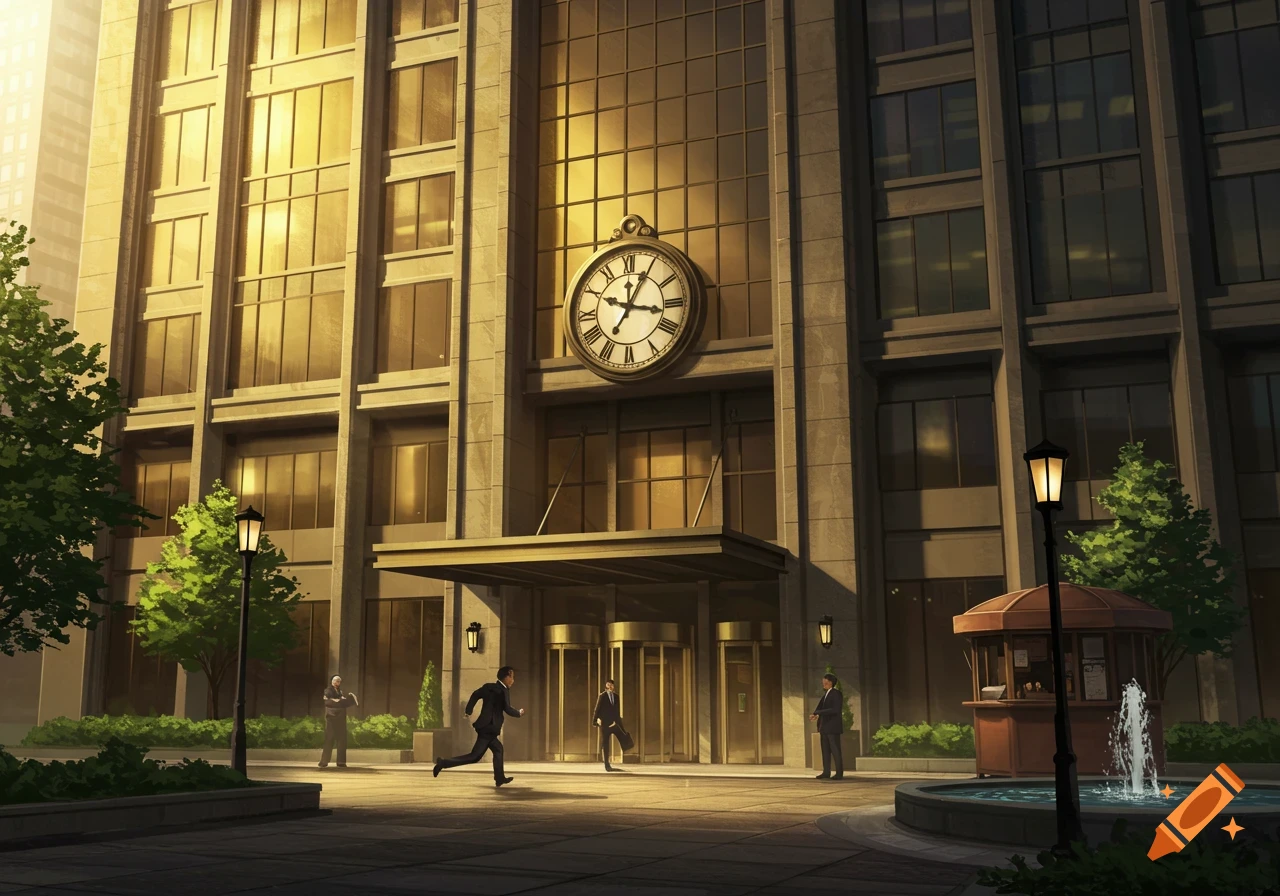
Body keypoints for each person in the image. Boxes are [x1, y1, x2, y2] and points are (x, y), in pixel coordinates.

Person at [433, 666, 524, 787]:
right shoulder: (503, 690)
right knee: (475, 756)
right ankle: (442, 763)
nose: (513, 681)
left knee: (498, 750)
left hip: (485, 726)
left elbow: (475, 694)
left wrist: (468, 710)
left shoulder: (488, 687)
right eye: (512, 677)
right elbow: (507, 708)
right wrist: (519, 713)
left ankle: (499, 778)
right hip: (489, 729)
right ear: (506, 677)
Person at [810, 672, 844, 780]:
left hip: (832, 728)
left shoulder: (836, 693)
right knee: (825, 751)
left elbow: (835, 709)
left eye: (824, 681)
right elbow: (819, 709)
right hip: (824, 727)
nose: (823, 683)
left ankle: (839, 773)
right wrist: (816, 714)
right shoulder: (826, 695)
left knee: (835, 751)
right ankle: (826, 772)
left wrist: (819, 712)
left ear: (829, 682)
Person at [319, 674, 357, 768]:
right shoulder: (328, 690)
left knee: (342, 739)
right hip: (331, 718)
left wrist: (339, 700)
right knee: (329, 739)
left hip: (340, 717)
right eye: (335, 681)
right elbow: (327, 700)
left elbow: (339, 701)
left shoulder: (339, 691)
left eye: (339, 681)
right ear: (332, 681)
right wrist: (338, 701)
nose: (337, 683)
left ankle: (341, 762)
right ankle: (324, 761)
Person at [592, 678, 624, 772]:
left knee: (622, 737)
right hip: (605, 723)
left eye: (611, 685)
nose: (610, 686)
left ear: (613, 686)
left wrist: (618, 722)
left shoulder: (616, 697)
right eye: (608, 684)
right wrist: (595, 720)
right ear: (606, 686)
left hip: (613, 722)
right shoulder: (602, 696)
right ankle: (607, 764)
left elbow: (617, 710)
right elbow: (597, 709)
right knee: (605, 743)